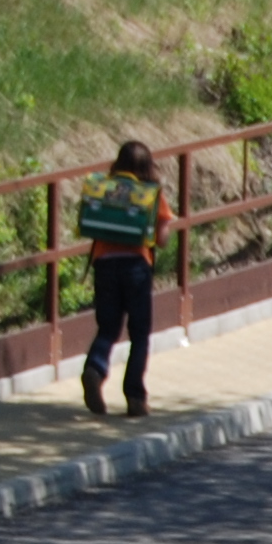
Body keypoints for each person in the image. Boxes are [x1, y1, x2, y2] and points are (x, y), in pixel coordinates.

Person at [79, 140, 169, 420]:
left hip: (105, 264)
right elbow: (162, 239)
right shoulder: (150, 193)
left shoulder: (105, 188)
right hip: (136, 267)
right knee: (139, 333)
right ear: (147, 166)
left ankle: (95, 368)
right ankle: (135, 397)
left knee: (108, 327)